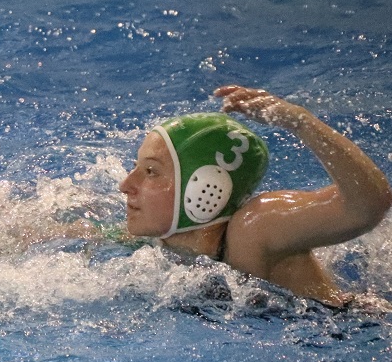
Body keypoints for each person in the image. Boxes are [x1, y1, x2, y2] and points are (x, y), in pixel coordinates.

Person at [120, 84, 391, 307]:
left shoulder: (256, 228)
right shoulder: (161, 242)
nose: (126, 184)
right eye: (136, 167)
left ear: (205, 187)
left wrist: (299, 121)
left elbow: (367, 205)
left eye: (151, 171)